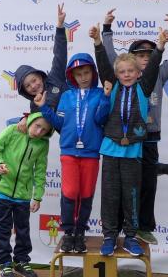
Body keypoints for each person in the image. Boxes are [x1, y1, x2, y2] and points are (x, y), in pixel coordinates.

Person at [103, 10, 168, 246]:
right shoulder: (123, 78)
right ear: (132, 60)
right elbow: (109, 56)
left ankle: (144, 227)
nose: (146, 58)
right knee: (122, 185)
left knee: (147, 184)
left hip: (149, 137)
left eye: (149, 54)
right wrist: (106, 30)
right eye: (140, 55)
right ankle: (117, 228)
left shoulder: (158, 74)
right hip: (126, 140)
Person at [92, 21, 168, 256]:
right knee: (110, 196)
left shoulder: (143, 88)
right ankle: (109, 236)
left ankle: (130, 237)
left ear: (139, 74)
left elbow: (154, 66)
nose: (126, 75)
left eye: (131, 71)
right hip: (110, 149)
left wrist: (160, 47)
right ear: (117, 74)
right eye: (122, 72)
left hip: (133, 151)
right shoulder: (113, 86)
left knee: (132, 195)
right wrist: (97, 42)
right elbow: (104, 66)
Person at [36, 52, 112, 254]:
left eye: (86, 73)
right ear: (72, 76)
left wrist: (106, 98)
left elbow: (101, 119)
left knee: (86, 194)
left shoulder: (99, 94)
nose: (83, 77)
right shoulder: (66, 96)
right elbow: (60, 123)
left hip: (91, 153)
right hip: (69, 152)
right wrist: (44, 108)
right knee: (70, 193)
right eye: (79, 74)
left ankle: (80, 233)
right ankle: (69, 232)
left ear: (93, 73)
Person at [0, 112, 52, 277]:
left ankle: (21, 261)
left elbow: (40, 170)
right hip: (3, 190)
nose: (39, 132)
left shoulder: (43, 144)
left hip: (23, 195)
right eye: (37, 126)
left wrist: (37, 196)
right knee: (3, 229)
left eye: (44, 130)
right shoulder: (12, 130)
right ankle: (4, 263)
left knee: (23, 230)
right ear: (30, 120)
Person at [13, 3, 69, 115]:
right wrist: (25, 119)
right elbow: (39, 123)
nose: (33, 86)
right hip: (60, 127)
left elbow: (60, 54)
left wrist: (60, 26)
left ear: (40, 76)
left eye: (34, 80)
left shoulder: (55, 77)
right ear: (25, 91)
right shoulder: (34, 105)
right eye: (28, 86)